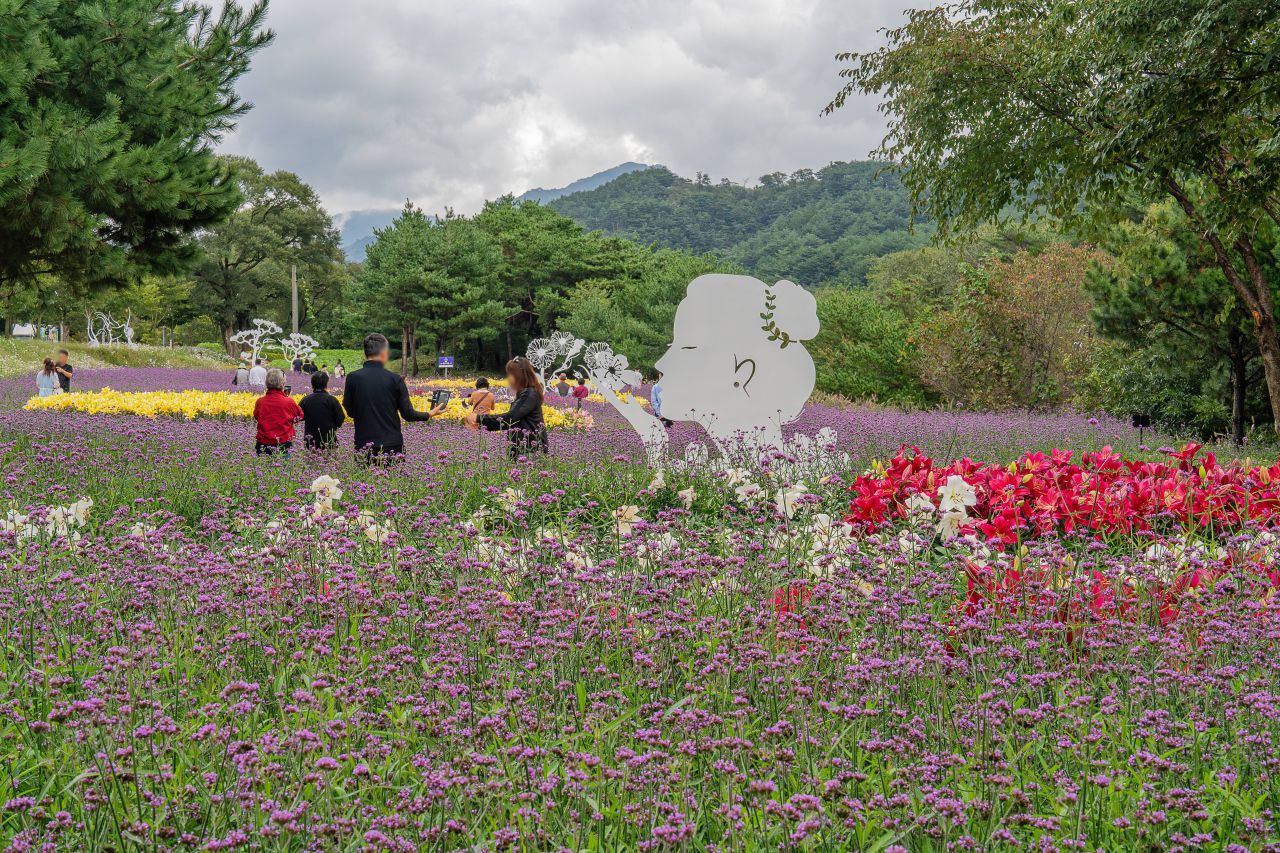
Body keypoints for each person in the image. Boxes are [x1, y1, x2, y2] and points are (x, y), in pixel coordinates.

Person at [654, 274, 819, 453]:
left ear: (742, 374)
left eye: (687, 347)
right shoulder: (775, 473)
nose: (661, 363)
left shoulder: (778, 477)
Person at [342, 333, 446, 459]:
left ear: (365, 354)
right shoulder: (395, 379)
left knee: (364, 478)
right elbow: (408, 414)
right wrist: (429, 414)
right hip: (391, 444)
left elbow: (350, 410)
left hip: (364, 444)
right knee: (393, 478)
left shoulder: (353, 378)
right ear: (384, 353)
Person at [468, 356, 548, 459]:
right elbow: (510, 423)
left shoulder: (529, 394)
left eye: (510, 374)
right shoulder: (525, 394)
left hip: (530, 453)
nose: (508, 379)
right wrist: (480, 425)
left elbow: (509, 418)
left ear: (519, 376)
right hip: (523, 451)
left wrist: (479, 419)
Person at [252, 369, 303, 456]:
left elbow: (257, 416)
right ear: (282, 383)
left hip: (263, 443)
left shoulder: (260, 402)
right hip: (283, 443)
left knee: (263, 468)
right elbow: (299, 416)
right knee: (283, 468)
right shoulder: (289, 402)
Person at [300, 372, 346, 450]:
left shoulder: (305, 400)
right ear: (326, 384)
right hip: (329, 441)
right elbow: (340, 419)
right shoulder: (332, 400)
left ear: (312, 384)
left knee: (311, 461)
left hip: (310, 442)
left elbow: (299, 417)